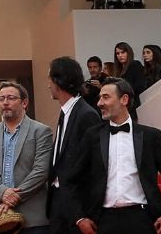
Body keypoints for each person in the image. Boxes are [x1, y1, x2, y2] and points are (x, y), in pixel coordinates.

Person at [70, 79, 161, 234]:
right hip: (103, 221)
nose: (99, 103)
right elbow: (73, 180)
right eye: (100, 98)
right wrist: (80, 218)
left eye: (106, 97)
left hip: (144, 220)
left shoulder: (151, 136)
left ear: (124, 99)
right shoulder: (92, 136)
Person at [0, 82, 50, 234]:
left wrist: (14, 196)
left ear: (24, 103)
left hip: (33, 218)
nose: (5, 102)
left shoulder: (41, 131)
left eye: (11, 98)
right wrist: (2, 192)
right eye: (1, 99)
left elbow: (41, 171)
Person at [43, 57, 99, 234]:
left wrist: (82, 214)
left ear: (59, 80)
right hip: (59, 201)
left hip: (77, 207)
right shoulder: (66, 112)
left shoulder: (86, 114)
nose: (48, 85)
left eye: (50, 79)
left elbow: (94, 166)